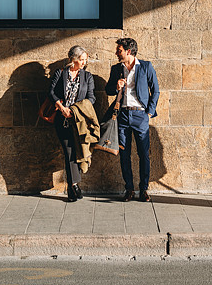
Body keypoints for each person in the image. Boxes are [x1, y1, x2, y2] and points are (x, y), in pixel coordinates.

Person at [105, 37, 160, 202]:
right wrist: (116, 86)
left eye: (119, 50)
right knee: (124, 154)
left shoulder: (145, 66)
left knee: (143, 154)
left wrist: (148, 112)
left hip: (140, 116)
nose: (116, 53)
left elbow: (155, 90)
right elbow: (108, 90)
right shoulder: (116, 69)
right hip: (122, 116)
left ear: (128, 51)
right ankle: (129, 189)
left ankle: (144, 189)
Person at [49, 45, 95, 202]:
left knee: (78, 151)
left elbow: (91, 98)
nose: (84, 63)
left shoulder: (87, 77)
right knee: (69, 151)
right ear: (74, 59)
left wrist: (75, 109)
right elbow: (51, 92)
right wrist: (62, 108)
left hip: (78, 120)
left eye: (85, 60)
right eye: (82, 60)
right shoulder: (60, 74)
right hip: (62, 119)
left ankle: (74, 185)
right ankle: (73, 186)